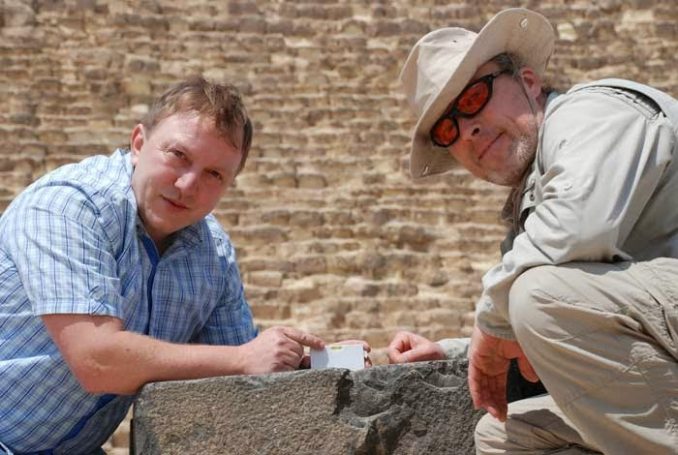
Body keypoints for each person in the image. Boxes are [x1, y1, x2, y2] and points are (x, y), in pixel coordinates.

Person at [0, 77, 367, 454]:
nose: (188, 184)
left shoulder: (213, 252)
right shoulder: (68, 206)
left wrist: (330, 362)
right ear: (139, 143)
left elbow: (244, 373)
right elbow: (97, 360)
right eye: (178, 155)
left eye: (214, 174)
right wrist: (243, 359)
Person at [389, 8, 678, 454]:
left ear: (528, 81)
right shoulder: (534, 196)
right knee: (503, 439)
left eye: (472, 99)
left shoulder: (592, 112)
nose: (469, 129)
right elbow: (569, 310)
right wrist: (454, 351)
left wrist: (494, 321)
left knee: (535, 295)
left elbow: (578, 231)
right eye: (449, 128)